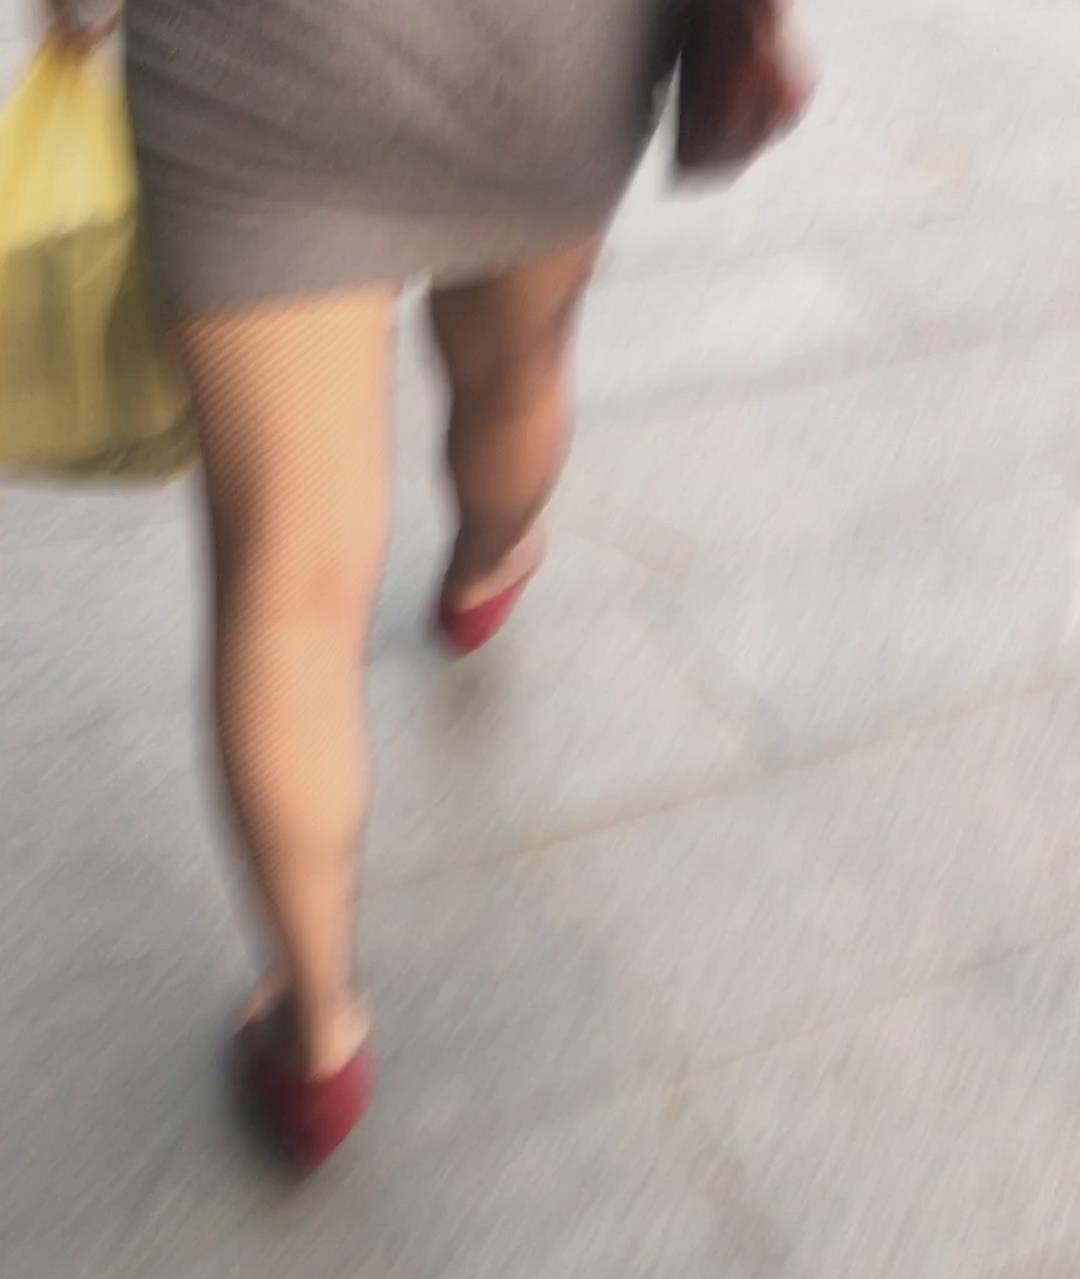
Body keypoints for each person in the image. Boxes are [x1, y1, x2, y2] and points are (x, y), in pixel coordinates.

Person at [46, 0, 683, 1169]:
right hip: (558, 53)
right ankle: (487, 563)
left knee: (288, 576)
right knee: (516, 368)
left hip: (266, 56)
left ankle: (316, 1031)